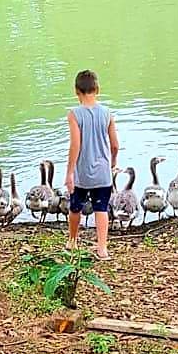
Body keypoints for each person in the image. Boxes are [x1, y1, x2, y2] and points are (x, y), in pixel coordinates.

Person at [65, 69, 119, 260]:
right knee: (101, 209)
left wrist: (69, 173)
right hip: (103, 171)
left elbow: (75, 145)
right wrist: (112, 162)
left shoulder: (74, 114)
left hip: (82, 172)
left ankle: (72, 241)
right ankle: (102, 249)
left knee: (75, 207)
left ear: (76, 91)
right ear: (97, 89)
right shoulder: (107, 113)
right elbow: (114, 144)